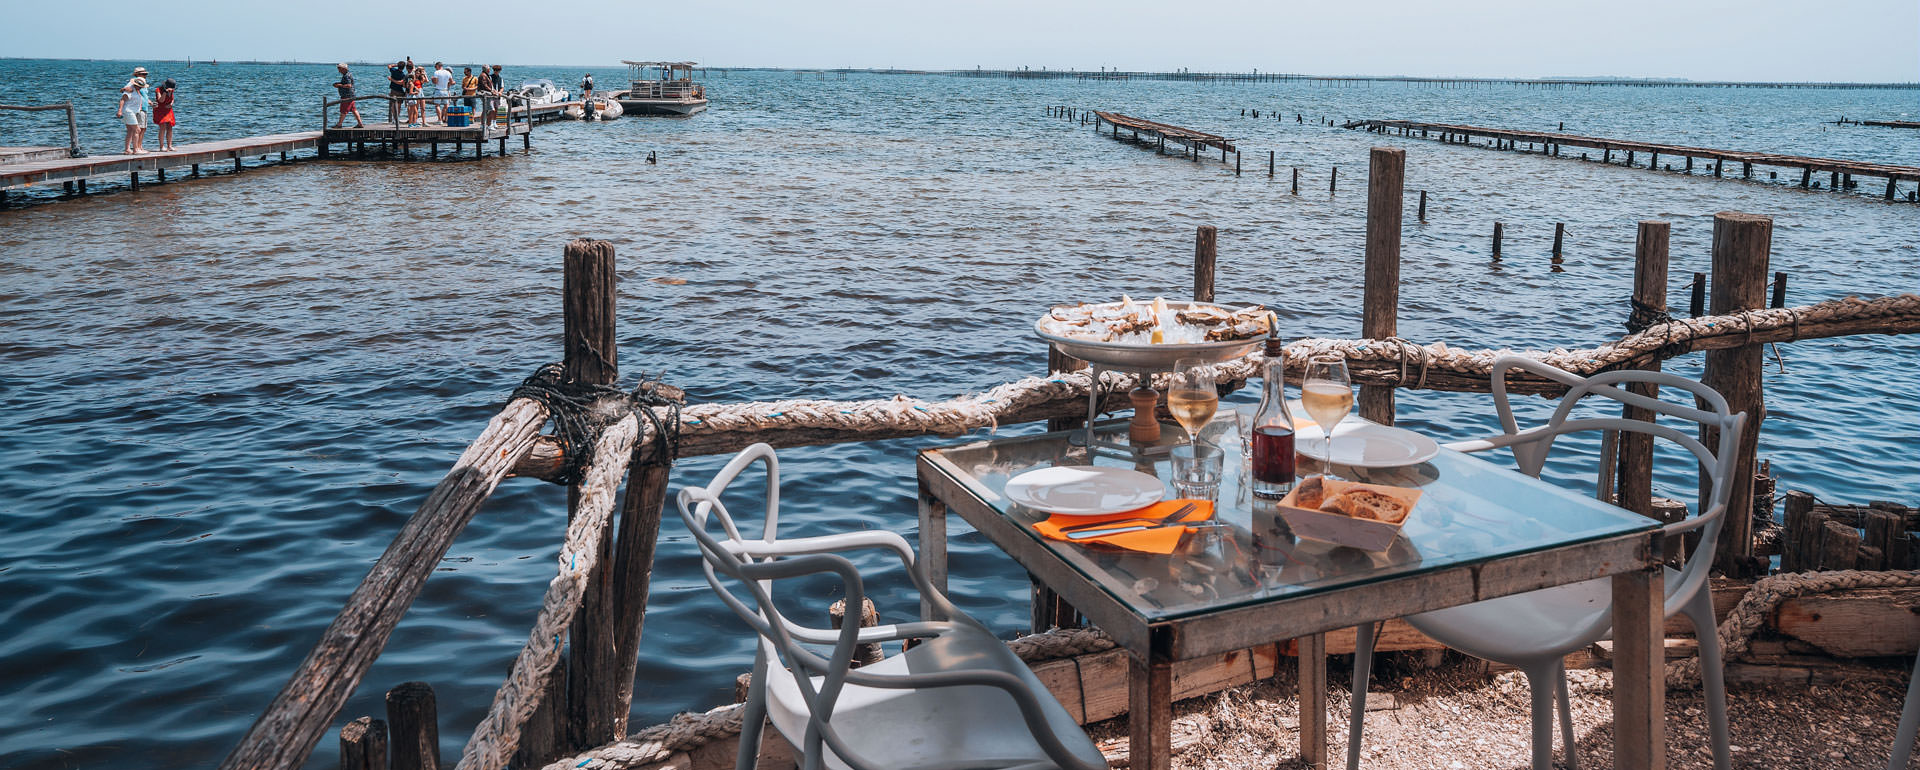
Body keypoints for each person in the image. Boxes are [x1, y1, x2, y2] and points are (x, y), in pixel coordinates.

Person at [116, 74, 149, 154]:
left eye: (141, 87)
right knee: (137, 130)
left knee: (130, 130)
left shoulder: (137, 91)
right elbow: (122, 99)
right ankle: (136, 149)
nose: (141, 88)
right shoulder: (130, 90)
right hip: (128, 111)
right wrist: (119, 110)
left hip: (133, 112)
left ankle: (127, 149)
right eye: (139, 86)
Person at [333, 62, 363, 128]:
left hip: (347, 96)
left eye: (339, 68)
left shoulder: (346, 75)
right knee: (354, 110)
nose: (338, 70)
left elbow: (349, 85)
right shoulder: (347, 75)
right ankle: (360, 123)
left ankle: (339, 124)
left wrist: (339, 85)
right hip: (351, 95)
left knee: (343, 110)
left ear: (344, 69)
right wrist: (339, 84)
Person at [151, 78, 177, 151]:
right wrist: (165, 92)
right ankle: (161, 146)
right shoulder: (158, 90)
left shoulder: (172, 90)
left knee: (170, 127)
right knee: (162, 127)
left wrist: (171, 104)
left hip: (168, 110)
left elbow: (172, 99)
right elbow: (161, 100)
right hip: (160, 109)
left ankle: (169, 145)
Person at [387, 59, 409, 125]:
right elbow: (401, 83)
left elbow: (389, 66)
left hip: (394, 90)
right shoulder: (403, 75)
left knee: (394, 105)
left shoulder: (394, 70)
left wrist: (392, 79)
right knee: (398, 106)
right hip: (399, 91)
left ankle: (395, 119)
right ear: (404, 67)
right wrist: (399, 65)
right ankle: (396, 119)